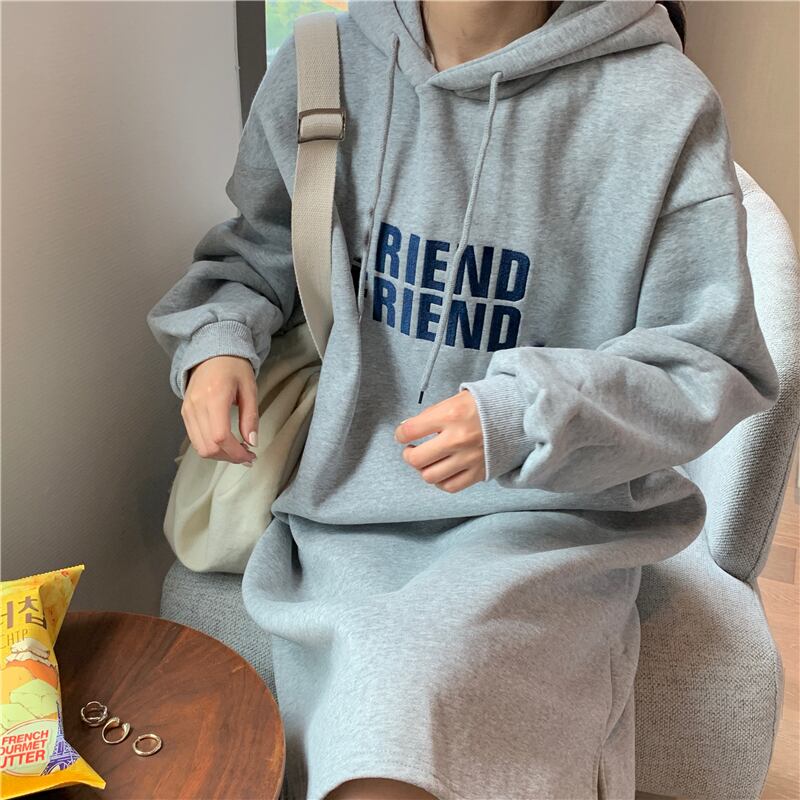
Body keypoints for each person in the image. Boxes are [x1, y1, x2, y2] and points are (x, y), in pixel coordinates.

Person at [146, 1, 780, 798]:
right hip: (347, 509)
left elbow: (709, 362)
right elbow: (258, 251)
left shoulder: (661, 104)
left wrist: (528, 413)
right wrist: (217, 344)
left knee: (414, 730)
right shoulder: (321, 65)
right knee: (383, 732)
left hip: (551, 523)